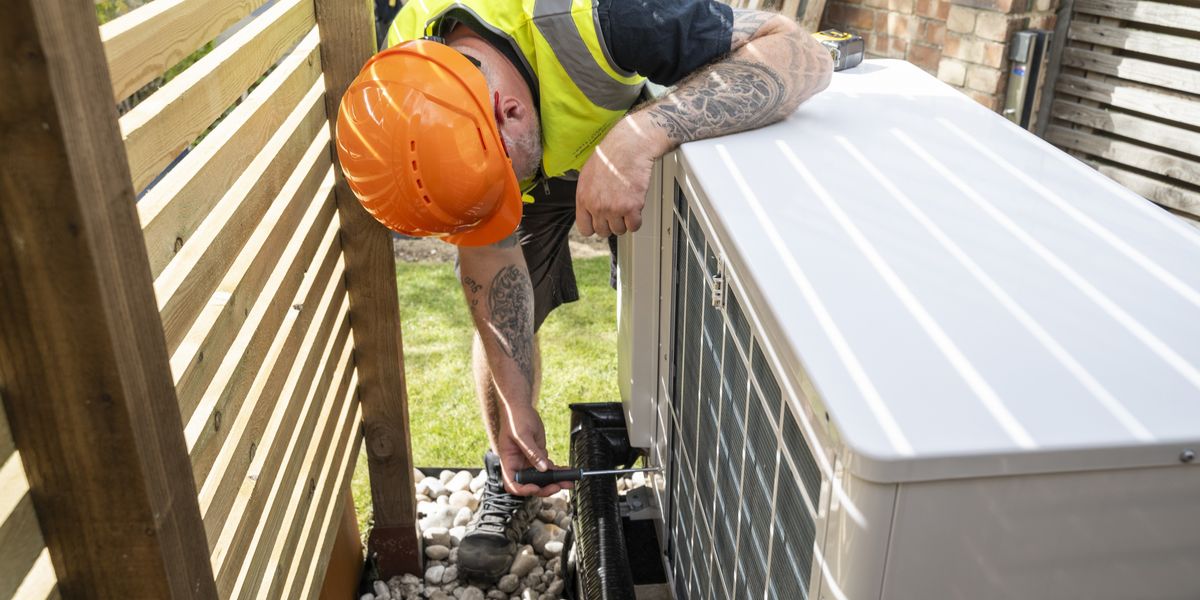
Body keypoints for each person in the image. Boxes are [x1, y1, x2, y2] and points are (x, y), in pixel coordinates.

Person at [336, 0, 832, 581]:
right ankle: (508, 469)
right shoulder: (411, 83)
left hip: (627, 118)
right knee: (505, 312)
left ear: (511, 110)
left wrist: (639, 135)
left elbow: (801, 53)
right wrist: (517, 411)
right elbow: (491, 259)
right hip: (535, 138)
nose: (511, 201)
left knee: (664, 295)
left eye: (505, 187)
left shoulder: (604, 18)